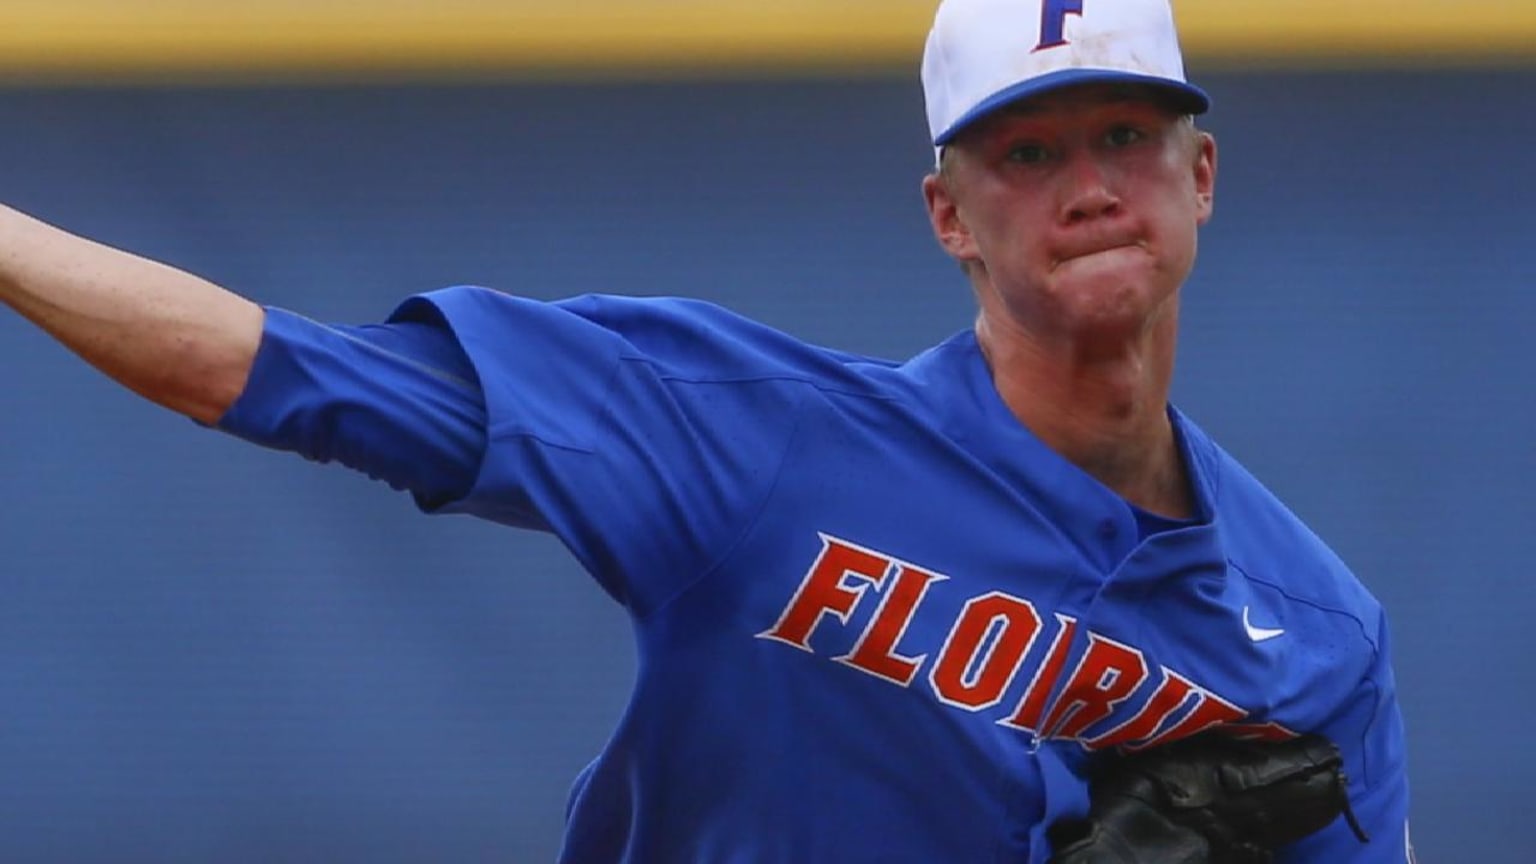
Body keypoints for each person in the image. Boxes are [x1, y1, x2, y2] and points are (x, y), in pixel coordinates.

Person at [0, 0, 1413, 861]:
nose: (1089, 187)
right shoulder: (749, 444)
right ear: (950, 218)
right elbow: (278, 373)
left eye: (1126, 137)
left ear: (1201, 174)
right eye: (1027, 154)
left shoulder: (1315, 636)